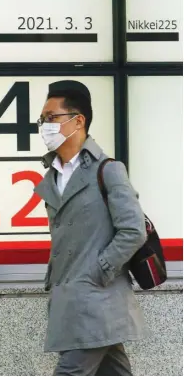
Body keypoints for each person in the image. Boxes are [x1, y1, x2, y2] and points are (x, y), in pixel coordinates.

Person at [33, 81, 147, 375]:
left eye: (51, 117)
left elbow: (133, 229)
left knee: (70, 372)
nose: (44, 125)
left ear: (77, 120)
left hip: (95, 300)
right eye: (42, 119)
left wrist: (98, 271)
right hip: (75, 302)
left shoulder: (107, 170)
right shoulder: (54, 175)